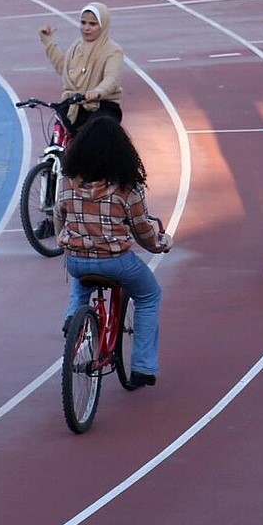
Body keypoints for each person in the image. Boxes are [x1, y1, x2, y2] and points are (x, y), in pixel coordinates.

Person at [56, 116, 170, 388]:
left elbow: (59, 214)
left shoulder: (68, 181)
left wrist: (65, 237)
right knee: (149, 295)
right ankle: (143, 366)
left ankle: (73, 316)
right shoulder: (128, 189)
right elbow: (144, 234)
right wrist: (162, 244)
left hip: (77, 260)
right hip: (115, 262)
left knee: (80, 274)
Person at [38, 2, 125, 132]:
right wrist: (48, 41)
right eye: (83, 22)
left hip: (101, 107)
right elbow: (64, 67)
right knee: (58, 127)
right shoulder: (76, 47)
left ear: (103, 25)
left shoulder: (113, 50)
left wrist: (98, 91)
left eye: (92, 24)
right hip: (74, 105)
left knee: (98, 132)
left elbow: (111, 78)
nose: (86, 28)